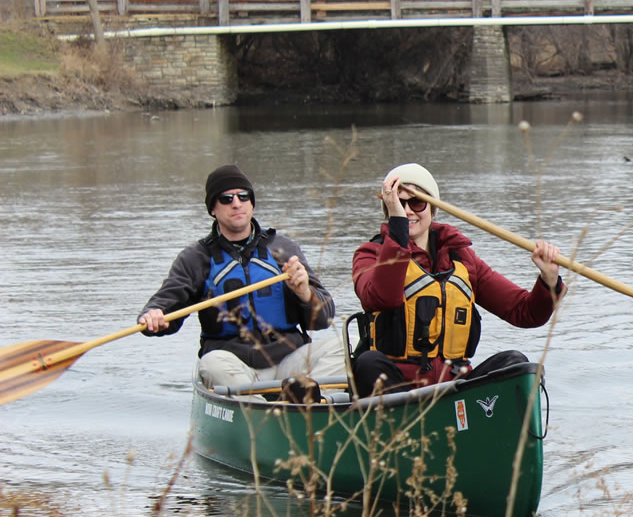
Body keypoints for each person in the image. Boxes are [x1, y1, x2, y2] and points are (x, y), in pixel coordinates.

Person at [351, 163, 564, 396]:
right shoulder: (370, 254)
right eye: (399, 204)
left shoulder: (462, 259)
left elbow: (525, 312)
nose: (408, 211)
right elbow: (383, 298)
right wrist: (397, 229)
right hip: (398, 390)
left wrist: (549, 281)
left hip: (454, 389)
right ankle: (400, 428)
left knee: (516, 363)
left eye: (417, 203)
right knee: (367, 363)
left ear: (432, 209)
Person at [138, 164, 343, 395]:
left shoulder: (283, 249)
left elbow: (324, 319)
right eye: (226, 199)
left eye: (243, 196)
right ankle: (261, 415)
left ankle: (307, 405)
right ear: (213, 209)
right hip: (235, 366)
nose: (236, 203)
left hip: (288, 360)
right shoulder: (196, 258)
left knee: (345, 344)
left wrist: (304, 293)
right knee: (211, 363)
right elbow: (165, 305)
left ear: (252, 203)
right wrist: (154, 314)